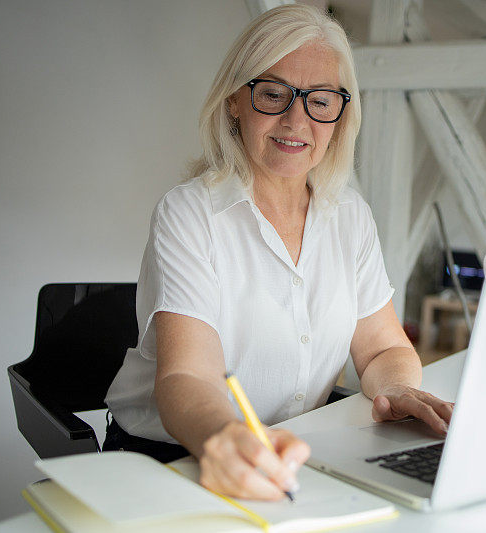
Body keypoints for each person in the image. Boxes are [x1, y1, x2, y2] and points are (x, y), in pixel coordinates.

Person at [104, 4, 453, 501]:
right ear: (234, 101)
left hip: (296, 450)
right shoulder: (189, 214)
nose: (297, 120)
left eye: (321, 100)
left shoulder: (350, 216)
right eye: (273, 94)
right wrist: (227, 439)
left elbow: (382, 347)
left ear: (340, 113)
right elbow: (188, 375)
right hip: (176, 454)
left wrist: (396, 387)